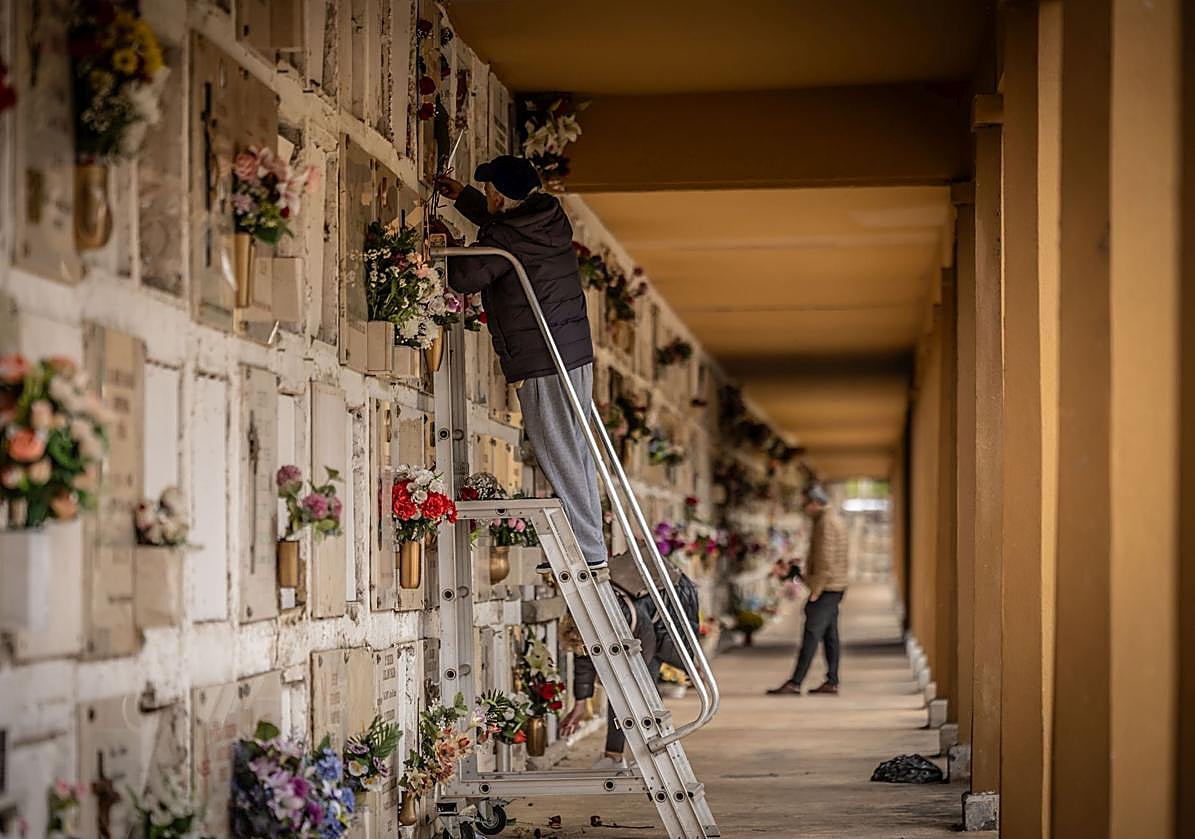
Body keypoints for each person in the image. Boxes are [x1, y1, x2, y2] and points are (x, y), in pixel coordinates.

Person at [437, 156, 606, 569]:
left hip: (542, 360)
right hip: (571, 354)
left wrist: (443, 240)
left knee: (557, 448)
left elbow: (466, 275)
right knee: (574, 448)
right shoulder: (545, 220)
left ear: (500, 194)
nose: (490, 197)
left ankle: (584, 550)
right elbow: (506, 228)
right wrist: (466, 200)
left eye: (491, 191)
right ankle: (590, 545)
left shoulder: (509, 237)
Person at [557, 544, 700, 770]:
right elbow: (582, 655)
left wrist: (624, 683)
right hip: (648, 612)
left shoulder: (622, 616)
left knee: (639, 688)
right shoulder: (580, 617)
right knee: (624, 689)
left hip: (669, 603)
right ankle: (615, 756)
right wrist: (581, 703)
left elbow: (645, 647)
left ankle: (649, 756)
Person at [767, 484, 849, 696]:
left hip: (827, 587)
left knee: (811, 634)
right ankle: (832, 681)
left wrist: (816, 588)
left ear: (815, 502)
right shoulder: (828, 519)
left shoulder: (826, 523)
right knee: (830, 635)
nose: (804, 508)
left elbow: (826, 559)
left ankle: (795, 682)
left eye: (805, 503)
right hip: (834, 585)